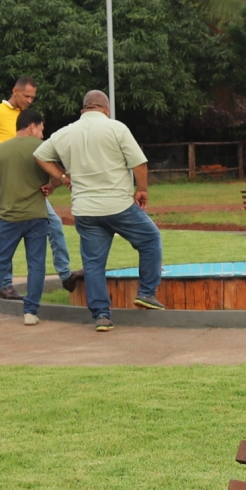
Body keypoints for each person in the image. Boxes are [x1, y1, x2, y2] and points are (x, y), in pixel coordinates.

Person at [35, 89, 163, 332]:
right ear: (106, 109)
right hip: (118, 205)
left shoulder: (65, 133)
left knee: (93, 263)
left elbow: (40, 155)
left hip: (85, 209)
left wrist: (62, 177)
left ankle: (102, 315)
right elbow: (139, 163)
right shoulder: (116, 128)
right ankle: (146, 293)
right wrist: (142, 190)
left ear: (83, 109)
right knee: (150, 239)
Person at [0, 76, 76, 293]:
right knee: (8, 234)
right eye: (26, 96)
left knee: (54, 224)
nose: (29, 100)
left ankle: (65, 275)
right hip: (9, 180)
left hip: (31, 180)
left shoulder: (26, 117)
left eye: (32, 97)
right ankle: (6, 285)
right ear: (14, 91)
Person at [0, 108, 54, 326]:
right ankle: (31, 312)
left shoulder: (1, 149)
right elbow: (59, 174)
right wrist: (52, 185)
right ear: (32, 126)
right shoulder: (43, 148)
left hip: (9, 216)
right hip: (37, 215)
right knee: (36, 264)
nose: (42, 134)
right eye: (41, 129)